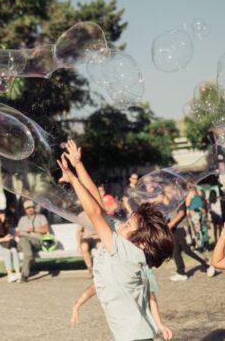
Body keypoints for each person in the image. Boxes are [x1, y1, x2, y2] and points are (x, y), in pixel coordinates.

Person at [57, 140, 175, 340]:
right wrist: (78, 166)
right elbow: (99, 205)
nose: (122, 225)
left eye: (128, 226)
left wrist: (73, 179)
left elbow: (93, 212)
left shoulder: (126, 251)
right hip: (135, 334)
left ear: (142, 243)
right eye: (127, 221)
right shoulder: (121, 240)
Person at [69, 266, 173, 340]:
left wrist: (160, 324)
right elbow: (94, 287)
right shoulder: (116, 267)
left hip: (142, 328)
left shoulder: (145, 269)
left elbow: (152, 298)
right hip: (124, 328)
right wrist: (76, 305)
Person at [168, 193, 215, 282]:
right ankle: (181, 273)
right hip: (174, 230)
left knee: (189, 249)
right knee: (175, 251)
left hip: (182, 228)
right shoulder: (169, 203)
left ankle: (208, 264)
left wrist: (171, 223)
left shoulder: (179, 200)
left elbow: (181, 213)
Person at [16, 199, 49, 283]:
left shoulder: (41, 217)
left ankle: (24, 274)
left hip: (36, 241)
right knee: (24, 240)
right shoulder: (22, 219)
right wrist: (22, 232)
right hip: (23, 240)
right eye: (28, 208)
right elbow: (18, 233)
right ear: (25, 210)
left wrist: (33, 229)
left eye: (31, 207)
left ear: (34, 208)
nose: (30, 209)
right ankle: (24, 274)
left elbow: (46, 229)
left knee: (27, 251)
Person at [0, 210, 21, 282]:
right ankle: (10, 275)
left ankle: (18, 273)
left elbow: (11, 231)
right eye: (2, 216)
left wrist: (15, 233)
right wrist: (5, 239)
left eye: (4, 216)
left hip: (4, 245)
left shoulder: (5, 224)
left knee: (14, 250)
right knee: (7, 252)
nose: (4, 218)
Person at [75, 211, 99, 278]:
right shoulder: (82, 215)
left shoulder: (97, 211)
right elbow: (79, 232)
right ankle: (90, 268)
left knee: (100, 247)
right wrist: (78, 245)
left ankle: (101, 267)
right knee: (84, 247)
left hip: (97, 237)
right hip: (86, 237)